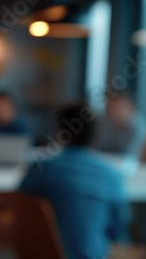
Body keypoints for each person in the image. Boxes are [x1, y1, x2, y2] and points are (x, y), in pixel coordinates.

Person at [19, 102, 131, 259]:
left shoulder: (41, 169)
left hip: (43, 253)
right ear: (94, 134)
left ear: (60, 132)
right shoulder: (110, 176)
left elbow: (21, 201)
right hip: (93, 254)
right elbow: (117, 227)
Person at [94, 92, 146, 157]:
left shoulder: (140, 126)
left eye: (118, 108)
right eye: (111, 108)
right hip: (105, 162)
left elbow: (131, 156)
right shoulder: (105, 122)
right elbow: (97, 148)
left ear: (130, 108)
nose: (115, 112)